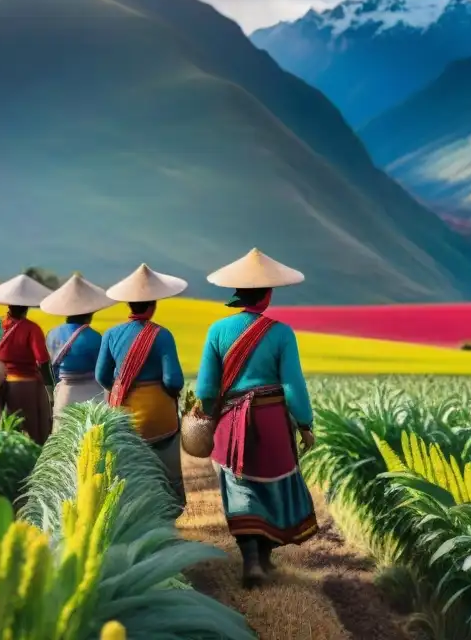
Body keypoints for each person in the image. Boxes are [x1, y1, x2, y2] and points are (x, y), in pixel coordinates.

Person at [195, 247, 317, 589]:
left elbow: (206, 388)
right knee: (273, 483)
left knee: (240, 485)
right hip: (272, 421)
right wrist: (305, 424)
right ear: (267, 295)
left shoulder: (218, 330)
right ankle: (263, 558)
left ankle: (250, 559)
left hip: (232, 422)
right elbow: (293, 385)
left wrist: (209, 418)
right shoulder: (281, 333)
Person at [97, 263, 188, 510]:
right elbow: (174, 381)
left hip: (124, 413)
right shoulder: (163, 335)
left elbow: (101, 375)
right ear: (153, 304)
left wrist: (122, 389)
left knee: (130, 469)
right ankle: (168, 511)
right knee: (167, 472)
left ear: (129, 304)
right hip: (160, 415)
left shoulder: (111, 334)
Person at [0, 274, 55, 444]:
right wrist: (50, 388)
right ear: (27, 307)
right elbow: (42, 360)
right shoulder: (32, 329)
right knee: (31, 435)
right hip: (27, 388)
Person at [40, 273, 116, 430]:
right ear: (89, 313)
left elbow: (48, 367)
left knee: (64, 438)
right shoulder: (95, 337)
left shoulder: (52, 334)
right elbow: (103, 371)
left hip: (64, 393)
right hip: (93, 395)